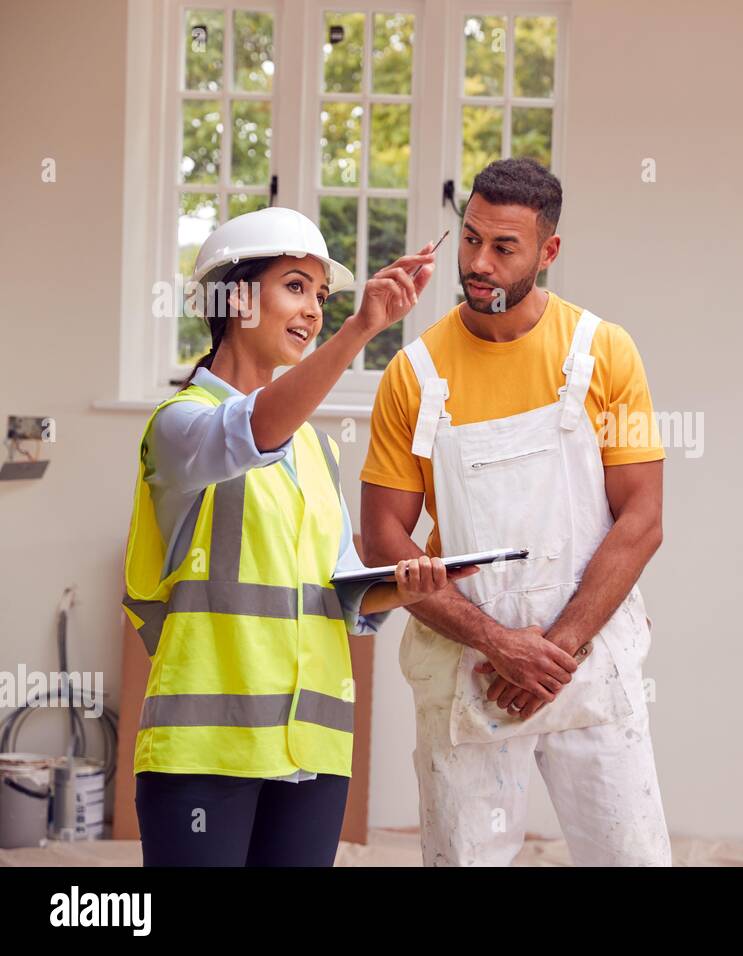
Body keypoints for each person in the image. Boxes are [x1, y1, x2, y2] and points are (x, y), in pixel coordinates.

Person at [121, 206, 474, 866]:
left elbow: (340, 596)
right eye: (294, 285)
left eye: (320, 294)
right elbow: (250, 431)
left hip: (312, 750)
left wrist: (409, 583)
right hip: (206, 749)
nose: (312, 309)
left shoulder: (314, 449)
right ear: (231, 296)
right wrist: (363, 327)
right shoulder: (179, 428)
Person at [360, 158, 672, 866]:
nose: (479, 263)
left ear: (548, 252)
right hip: (469, 665)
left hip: (587, 657)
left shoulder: (601, 353)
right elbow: (383, 537)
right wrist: (499, 644)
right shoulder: (415, 374)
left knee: (631, 858)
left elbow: (643, 519)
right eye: (471, 240)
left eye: (504, 248)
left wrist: (550, 653)